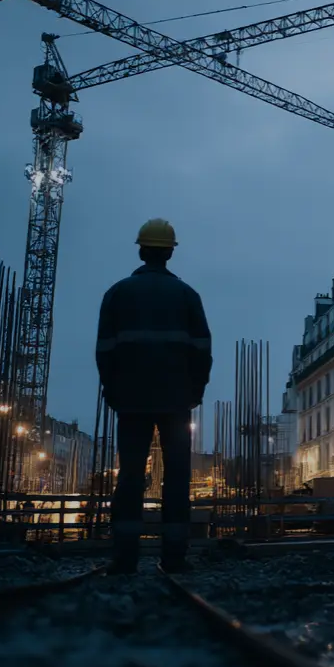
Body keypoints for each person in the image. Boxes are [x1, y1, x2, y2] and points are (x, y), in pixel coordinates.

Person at [95, 218, 212, 574]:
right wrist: (195, 391)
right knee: (176, 475)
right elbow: (203, 350)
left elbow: (104, 350)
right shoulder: (188, 296)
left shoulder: (117, 293)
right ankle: (175, 554)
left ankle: (125, 555)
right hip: (176, 399)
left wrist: (112, 391)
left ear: (142, 250)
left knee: (130, 473)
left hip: (130, 400)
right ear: (170, 253)